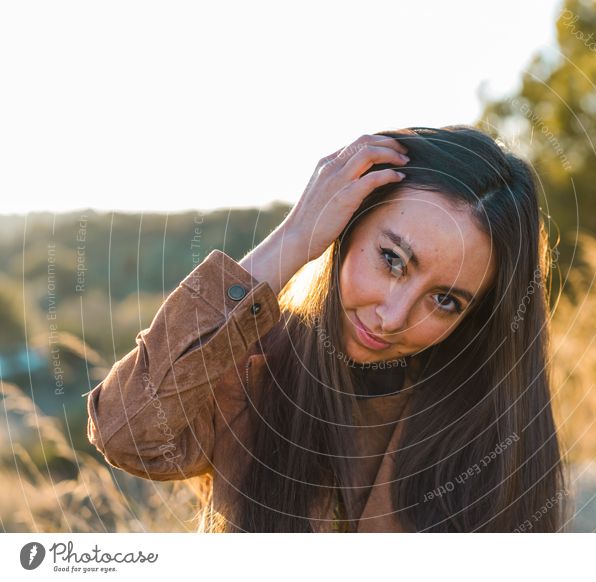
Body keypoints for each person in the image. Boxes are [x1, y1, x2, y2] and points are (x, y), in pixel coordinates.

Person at [86, 125, 567, 532]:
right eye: (392, 260)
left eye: (444, 300)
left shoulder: (492, 425)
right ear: (346, 227)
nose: (393, 316)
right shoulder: (248, 368)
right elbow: (126, 433)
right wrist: (293, 240)